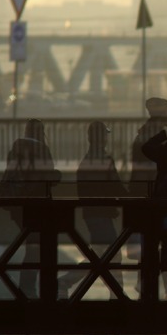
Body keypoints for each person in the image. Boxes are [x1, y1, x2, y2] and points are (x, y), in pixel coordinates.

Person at [64, 121, 127, 300]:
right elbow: (115, 186)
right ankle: (116, 295)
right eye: (105, 134)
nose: (107, 138)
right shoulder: (104, 159)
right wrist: (132, 197)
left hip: (92, 214)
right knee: (110, 255)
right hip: (101, 215)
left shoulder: (87, 159)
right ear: (101, 137)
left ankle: (116, 294)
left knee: (101, 256)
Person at [1, 118, 61, 297]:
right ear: (41, 132)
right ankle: (37, 288)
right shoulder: (42, 150)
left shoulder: (15, 150)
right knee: (39, 246)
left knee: (32, 245)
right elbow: (46, 175)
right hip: (37, 205)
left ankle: (26, 287)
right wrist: (57, 175)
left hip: (18, 205)